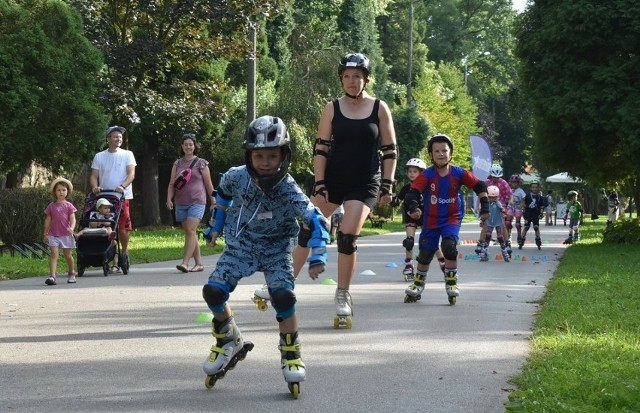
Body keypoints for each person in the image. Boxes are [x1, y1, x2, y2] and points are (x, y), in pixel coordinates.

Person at [201, 115, 329, 397]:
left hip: (276, 250)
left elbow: (314, 217)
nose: (266, 162)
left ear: (284, 155)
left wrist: (318, 253)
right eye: (259, 155)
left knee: (283, 296)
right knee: (212, 291)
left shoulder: (288, 187)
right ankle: (228, 338)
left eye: (273, 155)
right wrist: (215, 227)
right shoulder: (236, 176)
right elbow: (221, 197)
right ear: (249, 155)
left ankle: (291, 352)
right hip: (241, 246)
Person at [293, 52, 398, 327]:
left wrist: (388, 183)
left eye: (357, 77)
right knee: (308, 227)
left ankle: (343, 295)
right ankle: (282, 284)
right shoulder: (332, 108)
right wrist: (319, 182)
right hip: (333, 178)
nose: (352, 81)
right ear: (341, 79)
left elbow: (389, 150)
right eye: (347, 77)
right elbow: (321, 148)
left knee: (347, 236)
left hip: (365, 182)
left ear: (366, 79)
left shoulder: (379, 108)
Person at [403, 134, 489, 305]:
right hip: (431, 219)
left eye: (444, 150)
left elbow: (479, 185)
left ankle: (451, 282)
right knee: (426, 252)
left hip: (452, 217)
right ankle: (418, 285)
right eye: (436, 151)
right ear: (431, 154)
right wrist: (413, 208)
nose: (441, 154)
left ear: (451, 153)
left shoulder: (458, 173)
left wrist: (485, 206)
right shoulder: (427, 175)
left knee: (449, 246)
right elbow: (412, 193)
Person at [166, 134, 215, 273]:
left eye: (191, 144)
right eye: (186, 144)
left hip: (197, 201)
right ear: (182, 147)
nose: (188, 147)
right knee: (190, 233)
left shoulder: (201, 163)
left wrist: (213, 201)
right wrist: (169, 199)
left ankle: (185, 263)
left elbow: (209, 184)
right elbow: (171, 184)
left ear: (194, 147)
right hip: (180, 202)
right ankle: (199, 263)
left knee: (191, 230)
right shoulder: (177, 163)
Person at [90, 126, 136, 272]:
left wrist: (123, 186)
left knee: (122, 228)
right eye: (115, 136)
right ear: (108, 139)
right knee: (106, 228)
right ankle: (111, 258)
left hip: (122, 197)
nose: (119, 139)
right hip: (105, 198)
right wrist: (95, 187)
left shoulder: (127, 154)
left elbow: (131, 174)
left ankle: (123, 252)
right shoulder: (99, 156)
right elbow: (93, 176)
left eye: (120, 137)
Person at [393, 158, 433, 281]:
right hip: (411, 217)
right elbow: (395, 203)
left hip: (425, 217)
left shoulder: (427, 188)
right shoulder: (406, 188)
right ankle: (409, 265)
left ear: (421, 173)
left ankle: (443, 264)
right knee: (409, 242)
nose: (411, 173)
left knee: (431, 243)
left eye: (415, 171)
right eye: (410, 171)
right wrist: (392, 189)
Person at [43, 177, 77, 285]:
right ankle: (52, 276)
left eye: (64, 190)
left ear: (67, 192)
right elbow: (48, 219)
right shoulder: (51, 206)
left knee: (68, 255)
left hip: (66, 235)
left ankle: (71, 273)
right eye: (58, 190)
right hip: (53, 234)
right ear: (55, 192)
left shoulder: (69, 206)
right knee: (54, 254)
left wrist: (71, 228)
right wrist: (45, 233)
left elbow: (73, 219)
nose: (61, 192)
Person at [475, 164, 512, 255]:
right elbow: (481, 195)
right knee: (486, 226)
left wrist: (510, 204)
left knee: (502, 226)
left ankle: (507, 243)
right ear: (491, 175)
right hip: (488, 207)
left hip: (500, 206)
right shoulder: (486, 182)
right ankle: (481, 243)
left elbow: (510, 195)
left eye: (498, 177)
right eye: (494, 177)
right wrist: (477, 206)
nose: (496, 179)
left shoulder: (503, 183)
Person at [478, 185, 510, 262]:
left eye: (494, 197)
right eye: (490, 197)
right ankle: (483, 253)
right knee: (488, 236)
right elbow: (483, 213)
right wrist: (482, 219)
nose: (492, 199)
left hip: (498, 222)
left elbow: (502, 209)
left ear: (497, 197)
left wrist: (504, 213)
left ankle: (505, 252)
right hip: (489, 223)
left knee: (500, 237)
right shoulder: (486, 205)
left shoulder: (498, 203)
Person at [518, 180, 547, 250]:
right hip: (528, 214)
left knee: (536, 227)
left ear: (538, 188)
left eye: (536, 187)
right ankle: (521, 241)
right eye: (533, 187)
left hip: (535, 215)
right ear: (530, 188)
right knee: (526, 227)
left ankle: (538, 240)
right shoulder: (527, 196)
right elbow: (524, 204)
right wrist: (523, 212)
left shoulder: (540, 197)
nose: (534, 189)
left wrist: (541, 213)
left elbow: (541, 206)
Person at [505, 174, 527, 246]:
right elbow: (506, 198)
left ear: (518, 183)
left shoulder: (520, 191)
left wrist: (521, 205)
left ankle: (519, 236)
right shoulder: (509, 190)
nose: (513, 184)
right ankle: (508, 235)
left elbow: (524, 199)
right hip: (510, 207)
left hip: (517, 208)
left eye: (515, 182)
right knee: (507, 222)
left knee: (518, 223)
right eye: (512, 182)